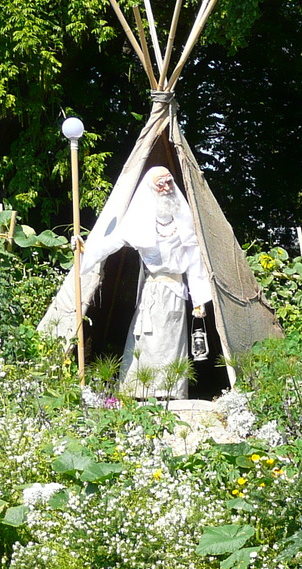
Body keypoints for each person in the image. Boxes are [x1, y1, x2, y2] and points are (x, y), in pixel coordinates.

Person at [81, 166, 212, 399]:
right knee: (147, 342)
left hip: (176, 293)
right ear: (152, 188)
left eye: (169, 182)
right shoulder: (141, 220)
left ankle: (170, 391)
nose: (166, 188)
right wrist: (86, 249)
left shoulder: (184, 220)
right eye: (160, 184)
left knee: (172, 343)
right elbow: (113, 242)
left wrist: (198, 299)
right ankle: (140, 391)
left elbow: (195, 261)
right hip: (152, 292)